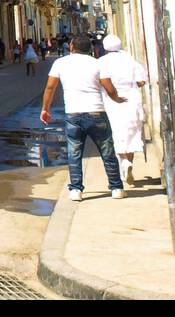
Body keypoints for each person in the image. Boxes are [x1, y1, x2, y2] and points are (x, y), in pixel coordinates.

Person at [40, 35, 127, 201]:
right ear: (90, 49)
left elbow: (50, 88)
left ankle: (76, 190)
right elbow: (109, 88)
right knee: (107, 151)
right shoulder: (97, 63)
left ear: (71, 46)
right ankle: (116, 188)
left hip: (73, 114)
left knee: (74, 153)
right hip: (97, 113)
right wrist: (117, 99)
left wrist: (45, 109)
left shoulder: (60, 63)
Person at [97, 34, 149, 185]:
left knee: (116, 132)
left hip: (111, 100)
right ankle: (129, 161)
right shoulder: (130, 60)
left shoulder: (101, 62)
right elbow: (141, 81)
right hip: (132, 99)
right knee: (131, 133)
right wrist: (131, 85)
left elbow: (99, 82)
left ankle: (124, 163)